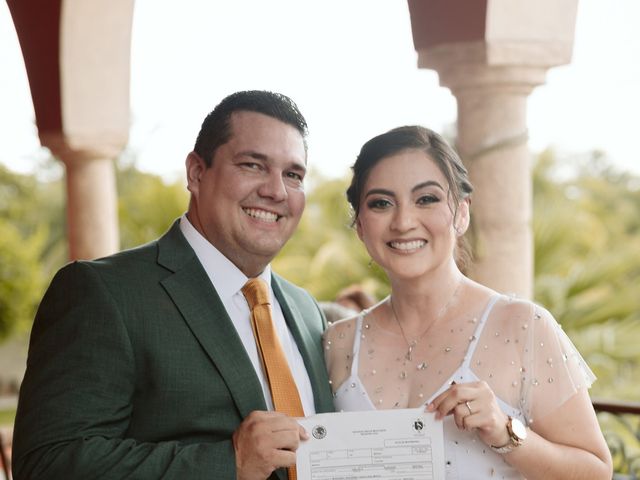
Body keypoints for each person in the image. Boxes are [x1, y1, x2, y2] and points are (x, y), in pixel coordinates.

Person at [12, 90, 334, 480]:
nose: (276, 191)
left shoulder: (306, 310)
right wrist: (228, 462)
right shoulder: (103, 292)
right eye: (252, 165)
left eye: (293, 175)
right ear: (196, 173)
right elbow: (49, 463)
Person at [323, 126, 613, 479]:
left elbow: (597, 471)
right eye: (381, 203)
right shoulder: (337, 343)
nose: (403, 221)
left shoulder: (523, 326)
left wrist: (505, 430)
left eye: (426, 199)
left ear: (461, 213)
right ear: (361, 227)